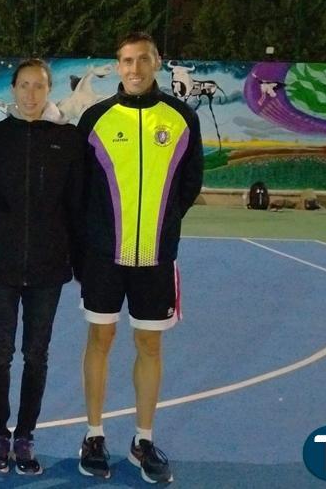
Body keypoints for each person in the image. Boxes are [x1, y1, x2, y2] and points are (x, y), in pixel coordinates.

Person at [76, 32, 203, 484]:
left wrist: (161, 230)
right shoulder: (95, 118)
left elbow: (188, 187)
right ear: (118, 65)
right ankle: (93, 435)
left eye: (143, 60)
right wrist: (86, 249)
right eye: (127, 60)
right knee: (101, 340)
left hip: (154, 258)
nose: (134, 68)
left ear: (157, 62)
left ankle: (142, 440)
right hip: (103, 258)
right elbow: (81, 192)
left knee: (150, 345)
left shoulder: (183, 118)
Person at [0, 59, 83, 476]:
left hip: (48, 266)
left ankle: (25, 436)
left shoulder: (67, 140)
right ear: (14, 90)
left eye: (39, 86)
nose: (31, 94)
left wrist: (77, 259)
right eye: (24, 86)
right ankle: (0, 433)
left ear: (49, 90)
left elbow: (76, 205)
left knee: (36, 354)